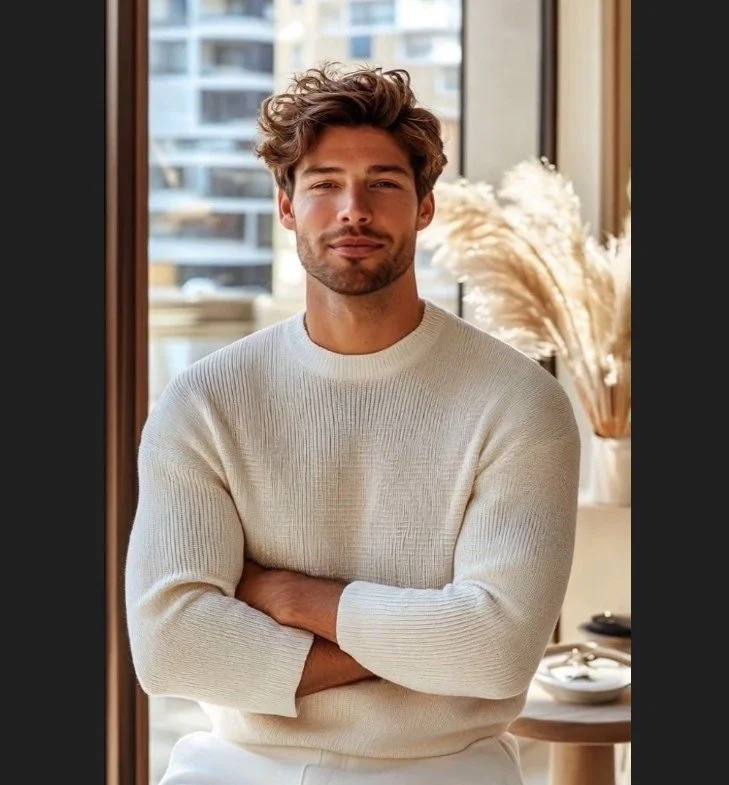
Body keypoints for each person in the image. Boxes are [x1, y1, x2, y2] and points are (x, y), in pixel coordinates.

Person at [125, 64, 581, 785]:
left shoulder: (517, 400)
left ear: (424, 206)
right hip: (236, 767)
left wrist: (289, 597)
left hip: (444, 769)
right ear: (285, 205)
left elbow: (495, 649)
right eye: (324, 183)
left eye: (383, 183)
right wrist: (427, 640)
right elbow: (170, 647)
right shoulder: (205, 401)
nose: (352, 209)